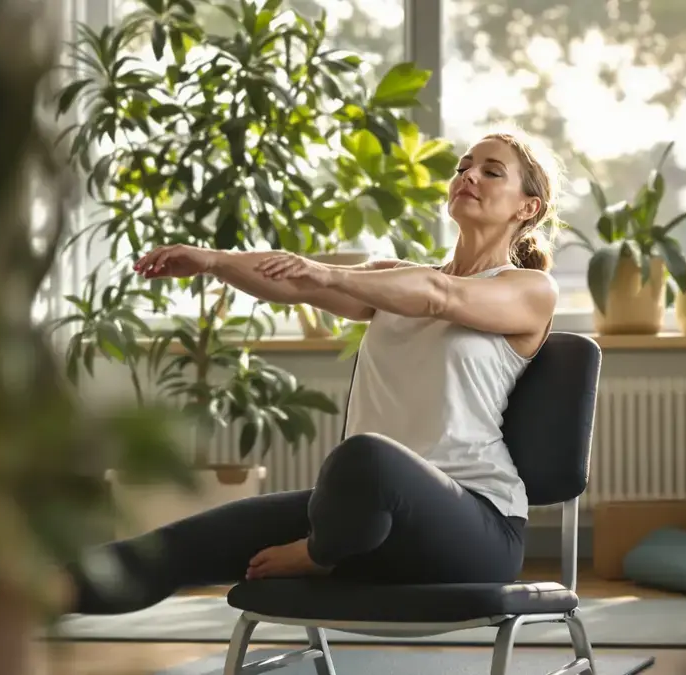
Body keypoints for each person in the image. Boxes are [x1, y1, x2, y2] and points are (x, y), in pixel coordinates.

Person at [70, 129, 563, 614]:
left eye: (491, 171)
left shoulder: (529, 290)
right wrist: (214, 261)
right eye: (463, 167)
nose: (468, 175)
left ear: (527, 208)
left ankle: (321, 554)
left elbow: (441, 296)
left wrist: (328, 271)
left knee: (366, 456)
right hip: (367, 517)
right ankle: (26, 596)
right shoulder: (393, 283)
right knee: (171, 549)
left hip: (474, 526)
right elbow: (296, 286)